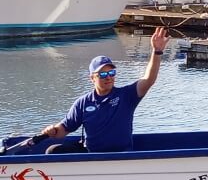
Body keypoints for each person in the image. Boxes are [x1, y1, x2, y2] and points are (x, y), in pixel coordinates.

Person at [42, 26, 170, 153]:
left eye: (111, 73)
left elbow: (149, 79)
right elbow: (63, 129)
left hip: (122, 157)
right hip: (91, 157)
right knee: (52, 151)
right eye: (103, 74)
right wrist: (52, 130)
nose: (108, 77)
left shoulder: (127, 95)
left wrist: (157, 52)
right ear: (92, 78)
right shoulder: (83, 103)